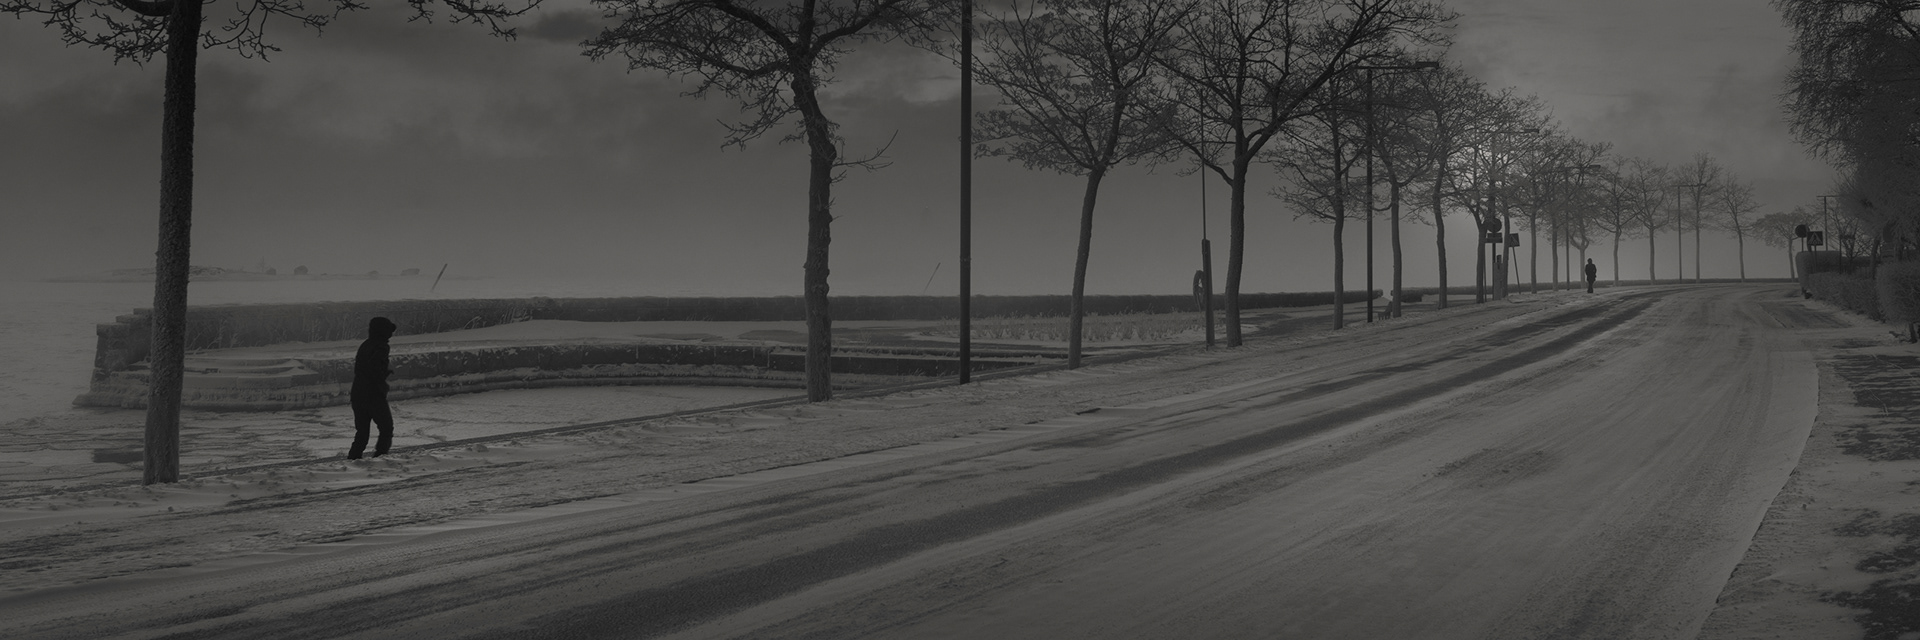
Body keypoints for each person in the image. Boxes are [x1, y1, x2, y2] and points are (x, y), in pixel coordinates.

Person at [348, 316, 398, 459]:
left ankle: (352, 461)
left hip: (357, 394)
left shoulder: (366, 344)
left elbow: (363, 368)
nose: (391, 335)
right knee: (386, 428)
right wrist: (382, 380)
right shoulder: (381, 346)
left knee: (362, 434)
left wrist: (384, 372)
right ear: (383, 331)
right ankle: (380, 459)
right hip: (373, 395)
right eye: (389, 331)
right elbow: (374, 367)